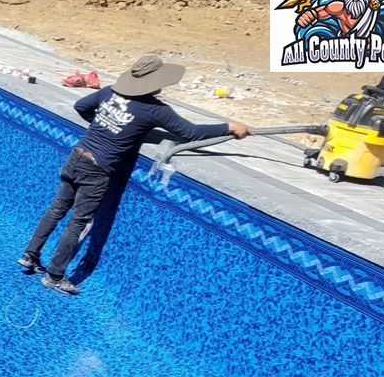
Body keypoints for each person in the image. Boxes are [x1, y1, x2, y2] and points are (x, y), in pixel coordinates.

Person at [21, 54, 251, 296]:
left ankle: (30, 255)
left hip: (77, 156)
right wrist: (230, 127)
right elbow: (190, 131)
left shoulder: (110, 92)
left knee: (57, 208)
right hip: (98, 169)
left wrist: (107, 126)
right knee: (78, 222)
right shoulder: (155, 110)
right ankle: (55, 275)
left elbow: (81, 106)